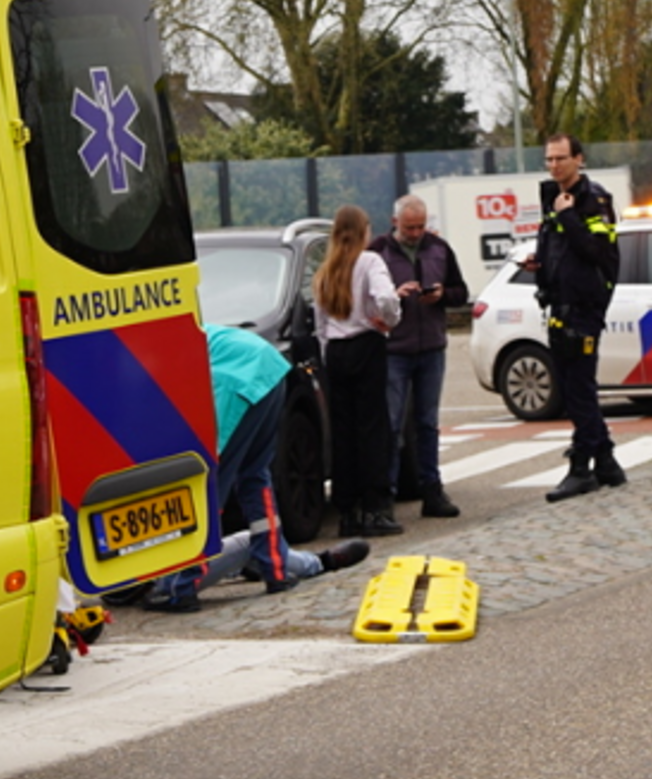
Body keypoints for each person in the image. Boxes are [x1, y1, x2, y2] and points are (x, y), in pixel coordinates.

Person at [142, 322, 372, 610]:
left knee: (208, 489)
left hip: (234, 381)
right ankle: (275, 571)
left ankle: (181, 587)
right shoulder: (186, 327)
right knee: (255, 476)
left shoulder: (143, 350)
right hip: (269, 371)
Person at [534, 134, 624, 500]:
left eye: (560, 158)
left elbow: (596, 251)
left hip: (584, 308)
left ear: (579, 159)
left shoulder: (593, 200)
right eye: (549, 159)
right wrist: (538, 267)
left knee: (580, 389)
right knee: (573, 389)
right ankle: (606, 463)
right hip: (560, 304)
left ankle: (581, 467)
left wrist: (569, 214)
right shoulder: (551, 199)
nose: (554, 165)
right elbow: (556, 248)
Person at [372, 194, 472, 518]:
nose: (416, 233)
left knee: (427, 423)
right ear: (394, 222)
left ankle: (432, 490)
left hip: (431, 346)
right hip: (394, 350)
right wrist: (393, 297)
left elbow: (461, 291)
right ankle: (385, 496)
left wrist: (443, 295)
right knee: (391, 423)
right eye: (409, 227)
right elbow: (362, 296)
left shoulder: (439, 248)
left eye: (420, 227)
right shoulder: (377, 252)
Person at [313, 204, 406, 539]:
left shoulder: (327, 270)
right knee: (372, 428)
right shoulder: (369, 262)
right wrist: (389, 321)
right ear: (363, 231)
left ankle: (347, 509)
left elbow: (320, 323)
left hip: (337, 351)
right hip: (366, 345)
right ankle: (376, 508)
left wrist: (328, 353)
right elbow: (386, 298)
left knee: (343, 432)